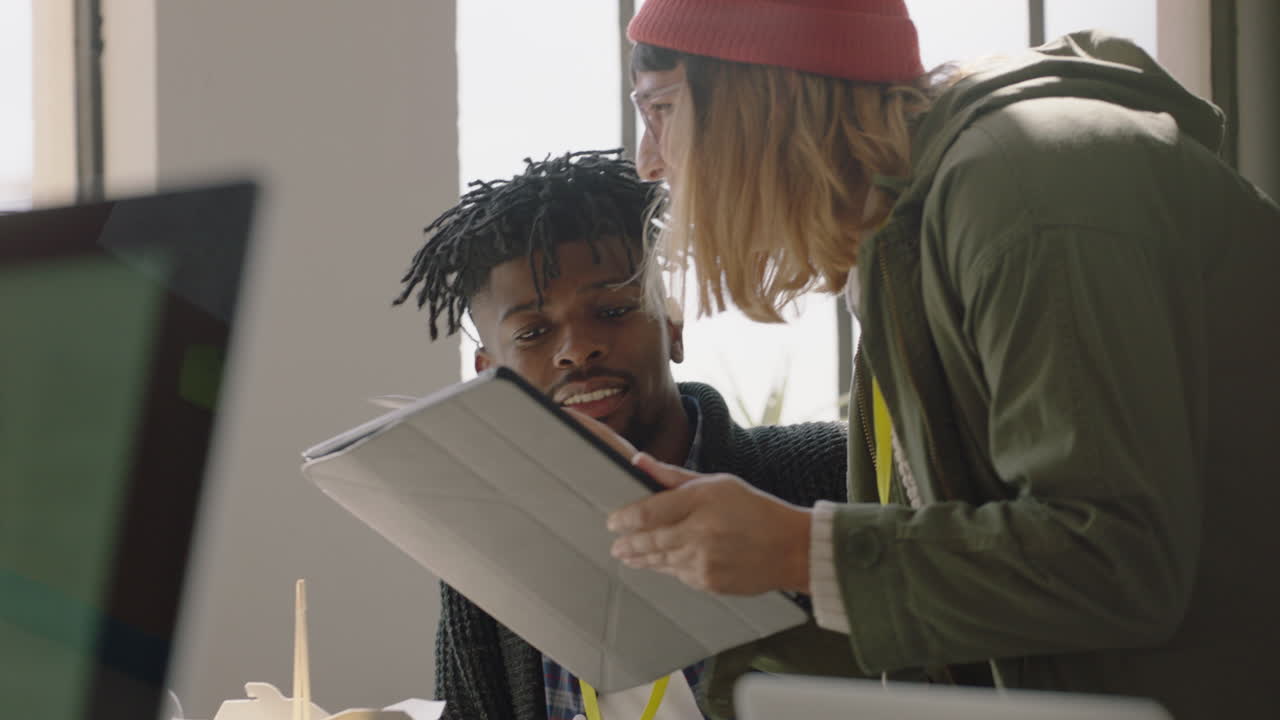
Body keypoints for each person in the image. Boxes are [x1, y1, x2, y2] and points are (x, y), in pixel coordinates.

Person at [600, 2, 1280, 718]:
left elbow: (1117, 562)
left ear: (764, 95)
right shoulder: (903, 243)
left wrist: (801, 550)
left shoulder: (1029, 191)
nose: (650, 161)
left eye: (662, 109)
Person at [393, 149, 849, 720]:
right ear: (491, 377)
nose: (576, 350)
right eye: (533, 331)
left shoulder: (831, 473)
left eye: (611, 311)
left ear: (673, 327)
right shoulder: (491, 551)